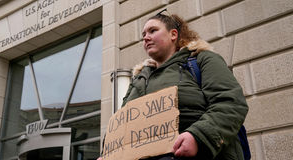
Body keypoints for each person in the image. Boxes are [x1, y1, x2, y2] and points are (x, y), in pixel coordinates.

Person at [98, 10, 248, 160]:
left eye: (153, 31)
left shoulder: (201, 59)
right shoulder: (138, 79)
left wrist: (198, 137)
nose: (146, 38)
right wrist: (108, 154)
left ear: (173, 35)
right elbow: (121, 125)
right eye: (143, 35)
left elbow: (230, 103)